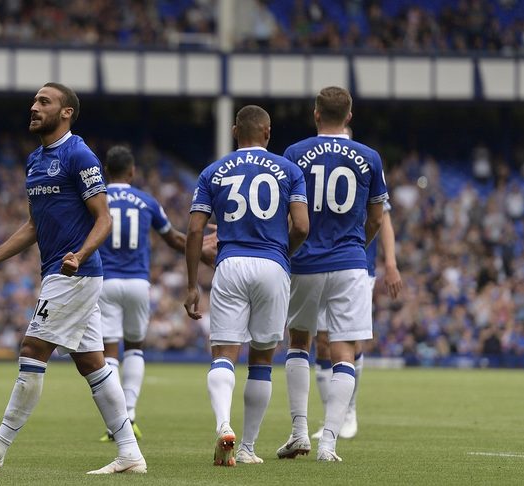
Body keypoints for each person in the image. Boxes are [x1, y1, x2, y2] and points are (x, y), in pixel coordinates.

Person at [0, 82, 147, 475]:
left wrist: (81, 254)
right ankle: (129, 453)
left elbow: (104, 218)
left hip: (72, 273)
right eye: (34, 100)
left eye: (45, 101)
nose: (34, 106)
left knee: (32, 349)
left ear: (66, 112)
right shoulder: (35, 161)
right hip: (60, 272)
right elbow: (33, 225)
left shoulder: (79, 154)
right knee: (93, 362)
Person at [184, 105, 309, 466]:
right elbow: (301, 226)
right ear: (268, 133)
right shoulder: (289, 170)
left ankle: (224, 425)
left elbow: (195, 230)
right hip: (273, 263)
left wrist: (192, 285)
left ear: (236, 131)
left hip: (230, 262)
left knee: (223, 354)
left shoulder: (212, 171)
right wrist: (281, 251)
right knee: (262, 359)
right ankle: (248, 448)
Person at [276, 86, 388, 462]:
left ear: (315, 114)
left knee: (299, 343)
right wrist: (359, 244)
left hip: (305, 260)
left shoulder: (294, 153)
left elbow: (287, 213)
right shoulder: (369, 157)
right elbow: (376, 217)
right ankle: (329, 443)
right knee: (344, 350)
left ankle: (298, 432)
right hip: (351, 261)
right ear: (350, 116)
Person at [96, 144, 217, 442]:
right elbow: (173, 238)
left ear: (105, 172)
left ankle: (116, 422)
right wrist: (200, 249)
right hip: (138, 282)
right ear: (133, 171)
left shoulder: (97, 200)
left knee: (109, 350)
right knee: (135, 347)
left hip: (106, 281)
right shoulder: (145, 201)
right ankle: (131, 413)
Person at [310, 201, 402, 440]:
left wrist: (390, 264)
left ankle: (349, 412)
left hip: (358, 266)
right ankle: (330, 417)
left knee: (350, 341)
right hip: (318, 262)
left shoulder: (364, 165)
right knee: (321, 341)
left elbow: (383, 218)